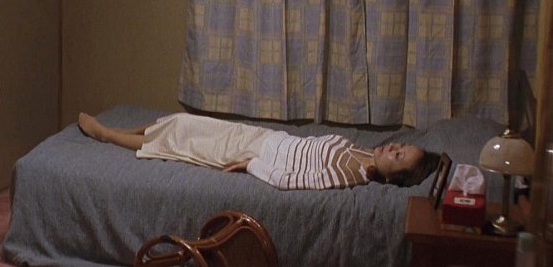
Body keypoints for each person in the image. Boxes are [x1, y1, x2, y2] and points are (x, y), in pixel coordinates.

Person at [78, 112, 440, 190]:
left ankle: (107, 135)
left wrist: (252, 165)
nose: (394, 147)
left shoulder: (351, 174)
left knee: (179, 142)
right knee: (184, 120)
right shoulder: (363, 151)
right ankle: (121, 130)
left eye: (398, 157)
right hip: (264, 136)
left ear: (391, 179)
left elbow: (292, 180)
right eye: (401, 146)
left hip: (257, 152)